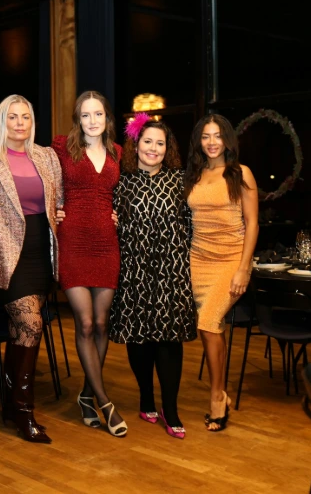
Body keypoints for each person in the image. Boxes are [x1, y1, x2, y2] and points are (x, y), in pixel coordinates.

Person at [0, 94, 63, 443]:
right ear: (1, 122)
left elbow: (59, 200)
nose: (20, 123)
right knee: (30, 322)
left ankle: (10, 404)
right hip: (8, 254)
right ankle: (24, 411)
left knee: (23, 330)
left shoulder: (47, 157)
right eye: (12, 117)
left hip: (41, 249)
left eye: (25, 117)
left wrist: (61, 214)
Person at [109, 114, 196, 440]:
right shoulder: (121, 180)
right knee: (139, 341)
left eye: (161, 143)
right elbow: (104, 217)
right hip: (134, 272)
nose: (154, 148)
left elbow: (195, 223)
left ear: (168, 148)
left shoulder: (180, 180)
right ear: (136, 144)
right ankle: (146, 396)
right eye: (148, 142)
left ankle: (170, 409)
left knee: (170, 341)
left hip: (172, 273)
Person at [51, 90, 127, 437]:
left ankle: (85, 395)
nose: (92, 121)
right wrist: (53, 208)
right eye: (85, 115)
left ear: (107, 118)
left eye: (98, 114)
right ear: (77, 119)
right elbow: (42, 180)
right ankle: (105, 402)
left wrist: (119, 214)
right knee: (83, 323)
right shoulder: (61, 148)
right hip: (73, 242)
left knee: (101, 322)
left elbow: (123, 194)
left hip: (106, 245)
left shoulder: (117, 153)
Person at [185, 114, 258, 432]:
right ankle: (220, 392)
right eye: (205, 136)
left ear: (227, 139)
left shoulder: (241, 173)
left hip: (231, 260)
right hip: (198, 259)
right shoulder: (195, 174)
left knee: (210, 323)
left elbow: (252, 223)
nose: (211, 142)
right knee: (208, 328)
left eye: (217, 136)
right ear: (199, 141)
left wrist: (244, 268)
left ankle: (217, 397)